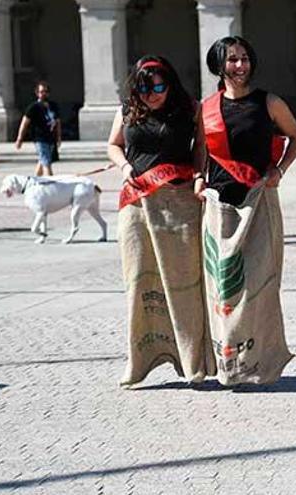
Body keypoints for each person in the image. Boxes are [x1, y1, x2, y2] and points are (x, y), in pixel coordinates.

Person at [196, 36, 296, 385]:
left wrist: (280, 169)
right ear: (218, 65)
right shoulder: (207, 108)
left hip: (258, 200)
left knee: (260, 282)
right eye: (231, 60)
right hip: (220, 206)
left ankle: (264, 360)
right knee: (225, 288)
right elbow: (201, 150)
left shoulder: (269, 103)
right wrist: (199, 177)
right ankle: (231, 361)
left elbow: (295, 137)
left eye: (244, 58)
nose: (240, 66)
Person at [107, 55, 214, 387]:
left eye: (158, 85)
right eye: (143, 86)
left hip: (179, 202)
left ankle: (192, 361)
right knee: (140, 282)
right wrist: (125, 169)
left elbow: (201, 149)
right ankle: (140, 360)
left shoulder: (190, 108)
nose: (151, 93)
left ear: (170, 83)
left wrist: (199, 176)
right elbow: (113, 145)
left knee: (184, 285)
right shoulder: (127, 109)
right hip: (137, 204)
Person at [15, 81, 61, 176]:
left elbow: (57, 122)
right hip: (40, 138)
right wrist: (19, 138)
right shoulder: (33, 107)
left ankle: (35, 181)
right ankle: (51, 184)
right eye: (41, 91)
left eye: (46, 91)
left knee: (42, 161)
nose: (44, 93)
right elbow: (24, 123)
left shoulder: (53, 106)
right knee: (46, 163)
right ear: (37, 93)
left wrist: (59, 137)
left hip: (51, 138)